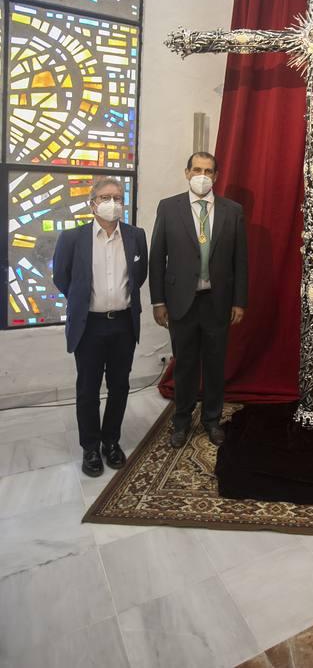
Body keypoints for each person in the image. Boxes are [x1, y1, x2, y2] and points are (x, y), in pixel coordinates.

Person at [149, 152, 248, 448]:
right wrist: (158, 301)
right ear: (187, 173)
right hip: (181, 302)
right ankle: (181, 421)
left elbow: (240, 261)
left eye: (208, 170)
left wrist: (239, 301)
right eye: (196, 170)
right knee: (185, 365)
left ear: (216, 176)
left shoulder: (233, 211)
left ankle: (212, 420)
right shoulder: (168, 208)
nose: (202, 175)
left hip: (217, 301)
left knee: (216, 365)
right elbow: (157, 258)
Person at [53, 177, 148, 477]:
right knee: (88, 389)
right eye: (105, 197)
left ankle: (111, 441)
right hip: (89, 326)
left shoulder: (136, 236)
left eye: (118, 198)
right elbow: (62, 278)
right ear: (92, 203)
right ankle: (90, 447)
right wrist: (83, 301)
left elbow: (139, 276)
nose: (112, 203)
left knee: (120, 386)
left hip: (123, 324)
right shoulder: (72, 238)